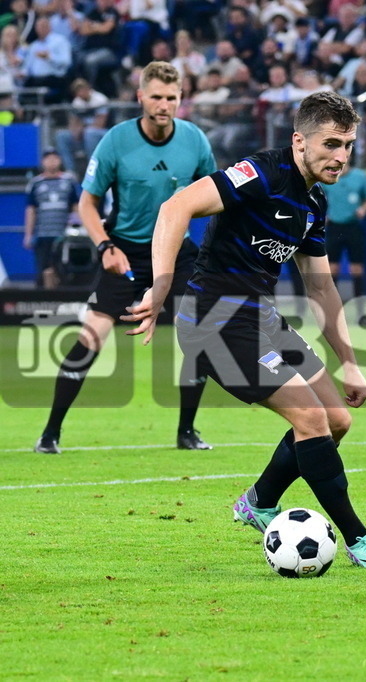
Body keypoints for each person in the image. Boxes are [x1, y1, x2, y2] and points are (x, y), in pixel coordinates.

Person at [121, 91, 366, 569]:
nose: (341, 156)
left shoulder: (314, 202)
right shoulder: (260, 174)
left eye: (349, 145)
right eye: (331, 144)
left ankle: (259, 501)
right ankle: (359, 539)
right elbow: (176, 208)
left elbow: (322, 290)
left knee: (337, 420)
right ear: (300, 141)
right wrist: (160, 285)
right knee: (311, 421)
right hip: (213, 322)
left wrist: (352, 363)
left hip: (260, 318)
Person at [34, 61, 217, 455]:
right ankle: (50, 433)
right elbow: (87, 204)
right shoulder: (116, 141)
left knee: (197, 338)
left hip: (177, 252)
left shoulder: (196, 140)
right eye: (155, 97)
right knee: (91, 336)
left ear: (180, 99)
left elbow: (217, 195)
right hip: (126, 251)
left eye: (171, 97)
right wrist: (105, 247)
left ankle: (187, 431)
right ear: (140, 97)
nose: (163, 104)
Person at [24, 148, 78, 289]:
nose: (52, 161)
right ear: (43, 162)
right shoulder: (35, 183)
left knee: (63, 271)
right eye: (48, 158)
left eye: (55, 158)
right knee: (42, 271)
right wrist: (28, 235)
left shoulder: (68, 181)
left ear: (60, 160)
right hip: (43, 234)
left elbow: (76, 206)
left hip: (63, 235)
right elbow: (31, 210)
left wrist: (77, 228)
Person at [320, 162, 366, 304]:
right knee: (332, 268)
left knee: (356, 268)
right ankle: (333, 305)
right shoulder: (327, 177)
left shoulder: (360, 177)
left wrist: (363, 209)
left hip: (353, 226)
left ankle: (359, 306)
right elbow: (316, 196)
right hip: (334, 226)